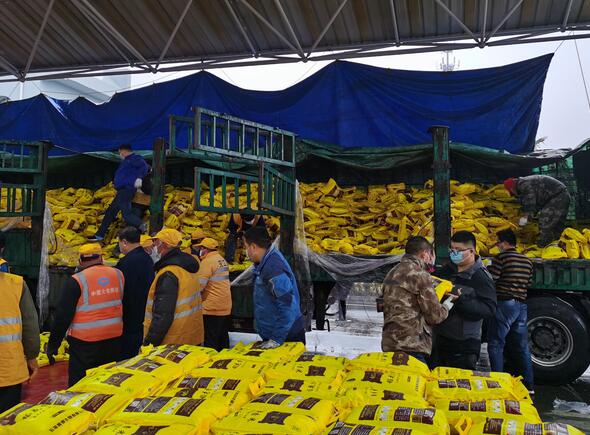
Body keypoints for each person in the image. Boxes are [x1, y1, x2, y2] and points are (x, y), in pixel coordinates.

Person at [47, 243, 124, 386]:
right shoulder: (118, 274)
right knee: (107, 381)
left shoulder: (77, 280)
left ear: (80, 261)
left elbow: (63, 316)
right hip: (113, 338)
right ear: (101, 257)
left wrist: (53, 345)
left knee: (80, 384)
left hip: (85, 343)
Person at [381, 236, 453, 364]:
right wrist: (446, 306)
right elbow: (435, 316)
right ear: (425, 254)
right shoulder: (420, 274)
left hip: (390, 343)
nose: (432, 259)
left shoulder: (392, 272)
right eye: (431, 255)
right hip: (412, 345)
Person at [431, 231, 497, 370]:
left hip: (464, 344)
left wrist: (461, 301)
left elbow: (489, 309)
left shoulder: (481, 277)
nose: (454, 253)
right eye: (452, 249)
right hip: (439, 339)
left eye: (458, 250)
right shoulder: (446, 271)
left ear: (471, 251)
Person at [487, 229, 535, 392]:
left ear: (505, 243)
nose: (497, 246)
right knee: (522, 346)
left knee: (496, 343)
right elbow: (529, 283)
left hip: (505, 304)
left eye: (498, 243)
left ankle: (498, 383)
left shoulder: (501, 258)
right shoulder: (527, 261)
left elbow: (492, 278)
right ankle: (529, 385)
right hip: (521, 305)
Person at [243, 226, 305, 348]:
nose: (246, 251)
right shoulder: (265, 262)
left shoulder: (273, 269)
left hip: (286, 337)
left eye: (246, 247)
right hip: (276, 334)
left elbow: (287, 305)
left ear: (253, 247)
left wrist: (276, 339)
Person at [143, 229, 203, 346]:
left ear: (165, 245)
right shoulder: (187, 267)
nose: (154, 246)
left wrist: (149, 343)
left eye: (156, 242)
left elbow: (163, 315)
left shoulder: (169, 273)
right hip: (191, 336)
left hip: (172, 341)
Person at [90, 144, 149, 241]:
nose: (119, 154)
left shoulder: (135, 158)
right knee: (111, 212)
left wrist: (139, 178)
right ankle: (99, 235)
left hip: (127, 190)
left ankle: (142, 225)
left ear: (123, 151)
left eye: (120, 152)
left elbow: (144, 167)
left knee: (126, 214)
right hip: (122, 190)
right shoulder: (127, 161)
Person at [0, 268, 39, 413]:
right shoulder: (16, 283)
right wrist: (31, 356)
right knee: (7, 418)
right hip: (9, 367)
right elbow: (30, 324)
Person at [116, 227, 155, 359]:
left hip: (130, 317)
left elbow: (122, 291)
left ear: (124, 242)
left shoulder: (126, 263)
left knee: (127, 355)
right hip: (144, 313)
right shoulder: (147, 258)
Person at [504, 175, 571, 247]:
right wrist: (530, 216)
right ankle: (558, 245)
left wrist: (525, 217)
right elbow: (536, 202)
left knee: (545, 222)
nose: (514, 195)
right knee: (557, 226)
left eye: (512, 193)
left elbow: (530, 200)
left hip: (557, 197)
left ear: (512, 188)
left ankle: (542, 246)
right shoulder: (525, 182)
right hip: (562, 195)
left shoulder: (523, 184)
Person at [194, 237, 232, 351]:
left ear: (205, 249)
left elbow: (199, 286)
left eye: (201, 248)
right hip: (224, 306)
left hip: (211, 307)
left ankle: (211, 360)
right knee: (223, 338)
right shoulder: (221, 260)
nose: (200, 251)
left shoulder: (207, 262)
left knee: (211, 341)